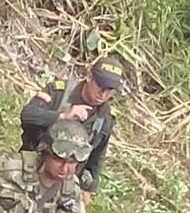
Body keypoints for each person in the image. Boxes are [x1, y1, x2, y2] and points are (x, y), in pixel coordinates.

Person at [19, 55, 128, 196]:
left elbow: (97, 155)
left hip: (66, 185)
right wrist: (62, 116)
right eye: (100, 86)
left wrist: (87, 189)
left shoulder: (105, 116)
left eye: (110, 90)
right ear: (89, 77)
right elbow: (27, 114)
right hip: (32, 169)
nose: (103, 94)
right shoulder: (59, 92)